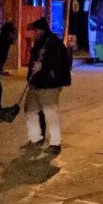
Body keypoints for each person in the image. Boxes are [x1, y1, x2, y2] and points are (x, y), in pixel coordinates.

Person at [25, 17, 71, 154]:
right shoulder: (40, 42)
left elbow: (60, 63)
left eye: (34, 31)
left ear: (40, 30)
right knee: (30, 110)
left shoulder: (53, 43)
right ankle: (35, 137)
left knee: (51, 113)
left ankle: (55, 142)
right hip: (37, 82)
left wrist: (43, 66)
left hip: (50, 84)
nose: (32, 34)